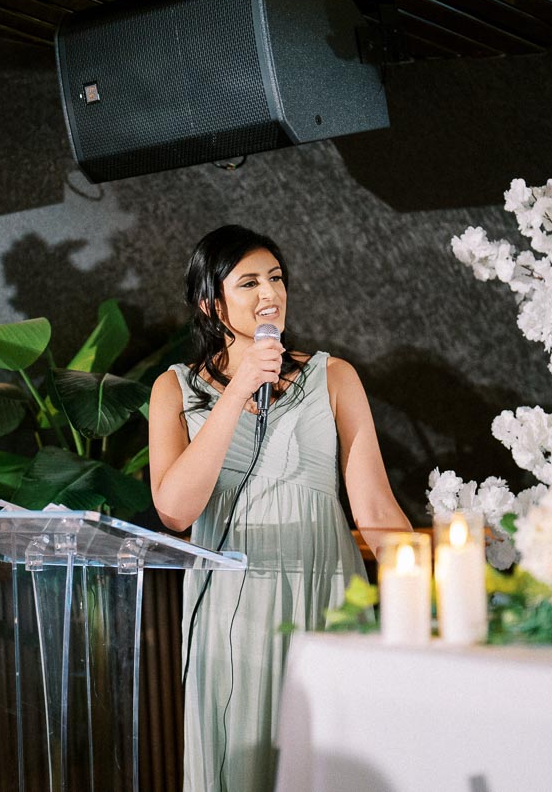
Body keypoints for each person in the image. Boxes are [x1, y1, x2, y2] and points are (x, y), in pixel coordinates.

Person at [149, 224, 411, 792]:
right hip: (228, 606)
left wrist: (430, 581)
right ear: (209, 303)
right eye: (248, 283)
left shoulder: (334, 376)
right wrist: (239, 388)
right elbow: (174, 510)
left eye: (276, 278)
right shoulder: (174, 389)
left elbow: (374, 506)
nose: (270, 293)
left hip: (324, 586)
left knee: (330, 761)